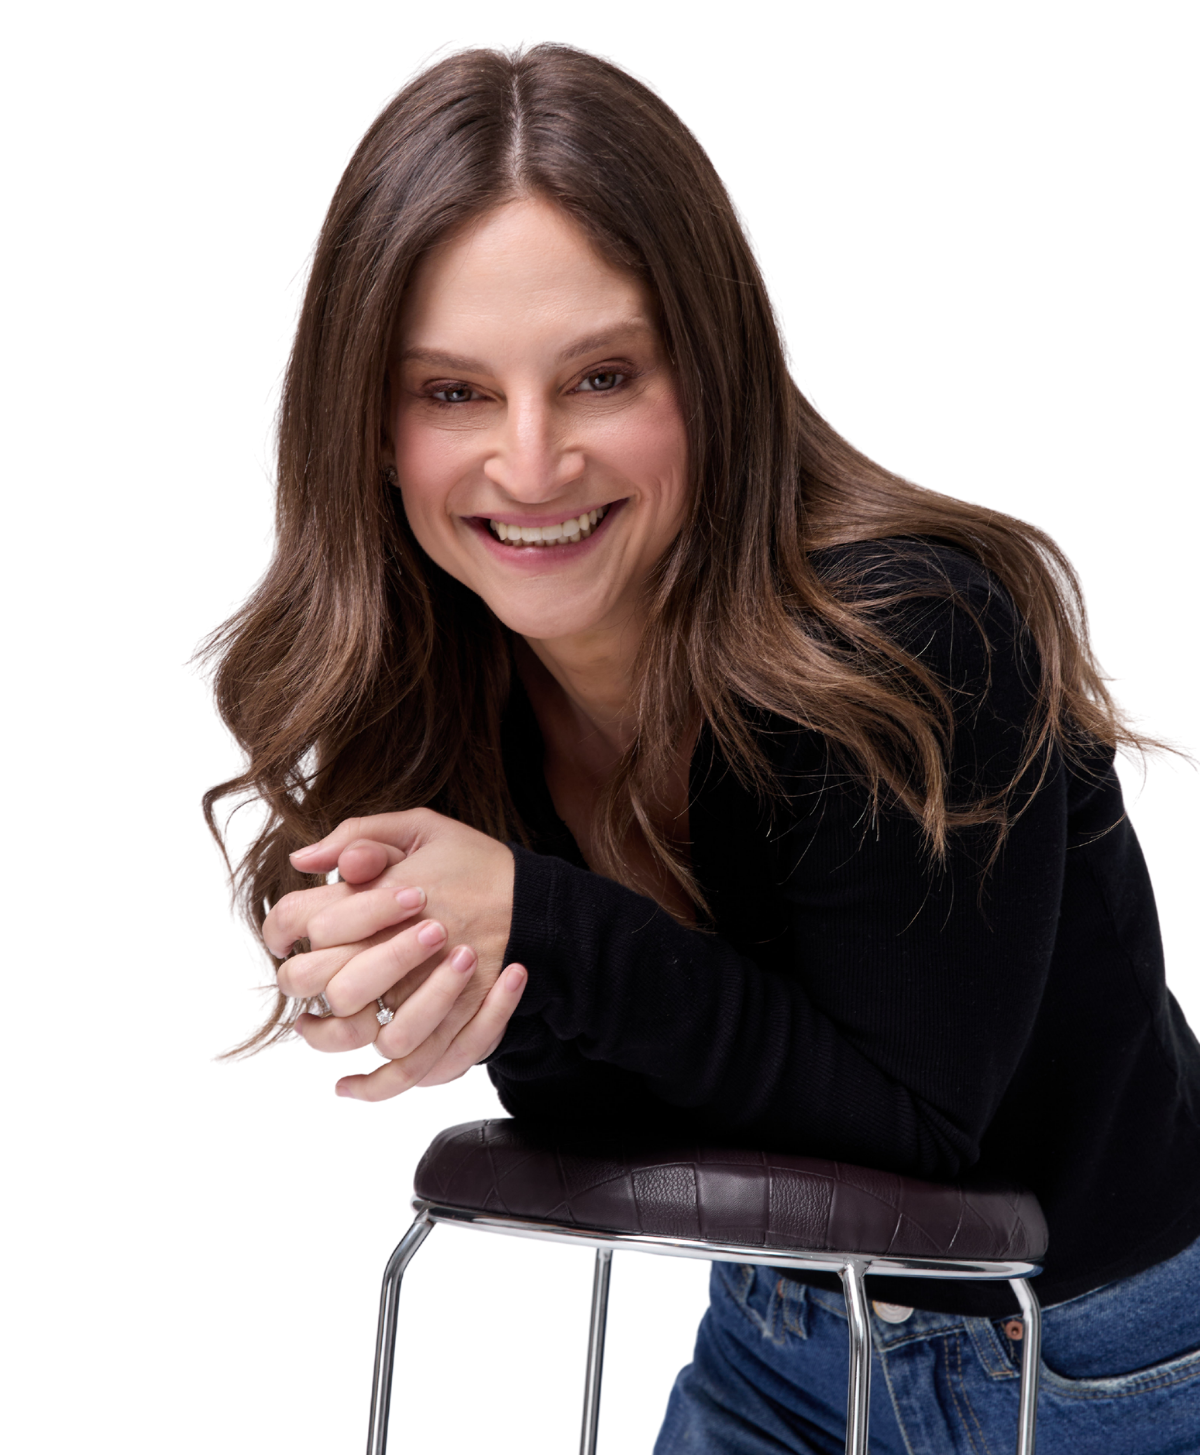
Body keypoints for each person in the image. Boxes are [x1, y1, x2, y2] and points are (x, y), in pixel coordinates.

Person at [188, 40, 1200, 1454]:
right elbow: (645, 1089)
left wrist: (538, 922)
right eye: (453, 392)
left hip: (1091, 1360)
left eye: (602, 376)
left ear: (713, 371)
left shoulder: (916, 633)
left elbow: (915, 1135)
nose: (530, 463)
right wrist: (439, 976)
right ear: (366, 422)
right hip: (777, 1335)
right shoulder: (452, 673)